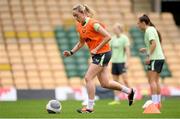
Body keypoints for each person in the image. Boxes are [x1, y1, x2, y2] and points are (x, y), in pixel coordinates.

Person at [63, 4, 135, 113]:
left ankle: (90, 107)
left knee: (88, 78)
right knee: (105, 83)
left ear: (83, 13)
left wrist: (96, 49)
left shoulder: (93, 24)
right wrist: (71, 52)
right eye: (74, 16)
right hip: (98, 54)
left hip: (103, 53)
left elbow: (108, 36)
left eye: (76, 15)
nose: (75, 18)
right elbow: (81, 42)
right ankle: (129, 91)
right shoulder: (79, 26)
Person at [137, 14, 165, 110]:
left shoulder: (149, 30)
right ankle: (158, 102)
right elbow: (153, 44)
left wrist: (148, 55)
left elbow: (154, 43)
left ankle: (154, 103)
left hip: (155, 58)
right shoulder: (152, 29)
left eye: (138, 23)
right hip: (159, 58)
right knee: (156, 81)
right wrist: (146, 48)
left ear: (143, 23)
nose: (138, 25)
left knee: (151, 81)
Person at [108, 23, 130, 105]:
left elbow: (127, 51)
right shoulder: (112, 39)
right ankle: (116, 99)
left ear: (120, 29)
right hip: (114, 62)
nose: (114, 30)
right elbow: (109, 50)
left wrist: (128, 61)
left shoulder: (124, 38)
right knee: (115, 82)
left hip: (122, 62)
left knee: (125, 80)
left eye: (115, 28)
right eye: (113, 29)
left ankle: (131, 96)